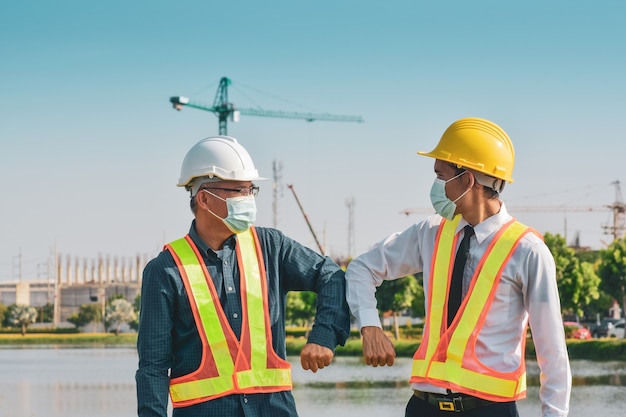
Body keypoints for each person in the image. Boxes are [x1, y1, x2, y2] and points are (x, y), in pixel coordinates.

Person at [345, 118, 571, 417]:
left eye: (441, 175)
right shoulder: (431, 232)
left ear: (467, 180)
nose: (436, 185)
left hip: (490, 411)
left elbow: (552, 352)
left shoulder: (528, 252)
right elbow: (361, 268)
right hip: (423, 408)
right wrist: (370, 325)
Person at [136, 136, 350, 417]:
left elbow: (331, 276)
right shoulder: (164, 271)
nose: (249, 199)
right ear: (204, 198)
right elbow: (153, 366)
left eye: (252, 190)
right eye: (239, 190)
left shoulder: (272, 247)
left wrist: (323, 335)